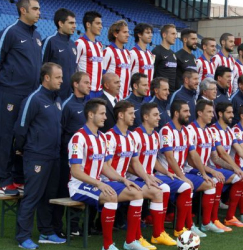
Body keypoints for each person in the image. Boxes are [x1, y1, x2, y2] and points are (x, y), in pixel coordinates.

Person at [68, 98, 145, 250]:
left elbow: (104, 167)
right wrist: (98, 183)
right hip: (79, 186)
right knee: (111, 196)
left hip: (98, 184)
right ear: (91, 114)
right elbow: (75, 171)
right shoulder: (78, 138)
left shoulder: (102, 138)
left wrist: (123, 180)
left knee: (137, 193)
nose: (105, 117)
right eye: (102, 113)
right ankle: (107, 245)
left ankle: (130, 242)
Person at [14, 62, 66, 249]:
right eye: (58, 77)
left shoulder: (57, 100)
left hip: (53, 156)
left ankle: (46, 231)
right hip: (36, 156)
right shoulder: (33, 99)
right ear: (47, 78)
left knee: (48, 196)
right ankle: (22, 237)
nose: (62, 80)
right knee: (32, 196)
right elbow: (21, 127)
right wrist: (22, 148)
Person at [105, 100, 169, 250]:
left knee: (157, 190)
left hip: (123, 181)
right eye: (131, 113)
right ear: (121, 115)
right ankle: (133, 239)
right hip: (109, 181)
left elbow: (135, 163)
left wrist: (148, 178)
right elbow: (105, 167)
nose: (134, 116)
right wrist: (124, 179)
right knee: (138, 193)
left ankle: (151, 235)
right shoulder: (109, 137)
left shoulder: (129, 137)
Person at [0, 0, 42, 196]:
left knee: (23, 137)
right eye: (35, 8)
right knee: (6, 136)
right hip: (10, 92)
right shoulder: (10, 32)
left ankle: (17, 177)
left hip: (30, 95)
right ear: (23, 10)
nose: (39, 12)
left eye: (39, 9)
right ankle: (3, 179)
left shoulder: (38, 35)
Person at [132, 102, 192, 243]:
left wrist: (166, 172)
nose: (159, 117)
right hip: (135, 178)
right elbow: (130, 163)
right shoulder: (135, 135)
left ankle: (174, 229)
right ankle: (153, 234)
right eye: (155, 115)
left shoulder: (154, 135)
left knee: (186, 187)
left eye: (159, 114)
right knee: (163, 188)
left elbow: (153, 161)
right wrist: (145, 176)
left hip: (150, 177)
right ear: (146, 117)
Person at [158, 100, 214, 237]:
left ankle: (197, 224)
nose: (189, 114)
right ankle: (183, 227)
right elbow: (170, 158)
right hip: (166, 174)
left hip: (180, 174)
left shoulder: (185, 131)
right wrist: (183, 177)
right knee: (186, 186)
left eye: (189, 111)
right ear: (176, 113)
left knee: (211, 184)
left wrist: (203, 173)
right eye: (186, 111)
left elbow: (193, 155)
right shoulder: (166, 130)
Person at [53, 71, 91, 237]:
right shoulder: (67, 104)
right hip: (66, 158)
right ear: (76, 84)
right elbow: (59, 131)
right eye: (86, 82)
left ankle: (74, 226)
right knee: (62, 191)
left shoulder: (89, 104)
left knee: (79, 190)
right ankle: (57, 227)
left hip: (85, 159)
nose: (90, 85)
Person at [209, 102, 243, 227]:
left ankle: (230, 217)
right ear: (220, 114)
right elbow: (222, 154)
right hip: (212, 168)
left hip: (224, 168)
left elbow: (241, 151)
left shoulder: (229, 131)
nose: (231, 115)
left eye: (232, 112)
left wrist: (241, 169)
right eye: (228, 112)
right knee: (238, 176)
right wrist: (237, 168)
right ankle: (214, 219)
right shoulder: (213, 130)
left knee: (241, 177)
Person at [42, 8, 77, 101]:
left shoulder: (73, 44)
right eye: (71, 23)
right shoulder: (50, 41)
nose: (75, 26)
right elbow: (40, 67)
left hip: (69, 96)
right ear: (61, 23)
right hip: (52, 96)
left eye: (74, 23)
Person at [75, 11, 103, 99]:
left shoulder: (99, 45)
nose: (101, 26)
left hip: (99, 91)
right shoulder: (80, 43)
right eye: (98, 23)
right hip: (86, 92)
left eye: (101, 24)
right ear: (88, 24)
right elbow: (73, 67)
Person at [103, 20, 132, 99]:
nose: (128, 35)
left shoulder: (127, 53)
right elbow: (102, 74)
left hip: (126, 99)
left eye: (128, 32)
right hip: (113, 99)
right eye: (124, 32)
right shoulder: (108, 51)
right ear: (116, 34)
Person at [130, 23, 154, 96]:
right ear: (139, 34)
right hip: (136, 95)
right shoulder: (132, 53)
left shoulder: (150, 54)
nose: (151, 35)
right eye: (147, 33)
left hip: (148, 94)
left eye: (151, 33)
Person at [152, 24, 177, 91]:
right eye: (173, 34)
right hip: (161, 92)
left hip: (172, 92)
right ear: (164, 35)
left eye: (176, 34)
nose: (175, 37)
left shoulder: (173, 54)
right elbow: (152, 72)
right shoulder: (156, 51)